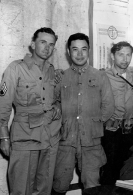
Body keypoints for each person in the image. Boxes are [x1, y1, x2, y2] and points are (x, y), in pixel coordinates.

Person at [0, 27, 61, 195]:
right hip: (24, 138)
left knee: (44, 190)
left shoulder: (52, 71)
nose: (47, 47)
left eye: (51, 44)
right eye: (43, 42)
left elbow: (53, 98)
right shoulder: (16, 68)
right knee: (21, 189)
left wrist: (56, 106)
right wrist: (4, 137)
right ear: (33, 44)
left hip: (48, 137)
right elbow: (2, 106)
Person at [52, 33, 115, 194]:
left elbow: (108, 106)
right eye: (75, 49)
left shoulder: (100, 76)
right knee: (59, 183)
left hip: (91, 142)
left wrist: (94, 122)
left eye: (84, 49)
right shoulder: (61, 77)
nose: (79, 54)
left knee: (92, 185)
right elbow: (54, 102)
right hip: (66, 140)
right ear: (68, 52)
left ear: (89, 51)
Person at [100, 41, 133, 185]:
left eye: (128, 55)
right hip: (110, 132)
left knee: (127, 171)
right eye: (121, 54)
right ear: (112, 56)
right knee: (109, 172)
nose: (125, 59)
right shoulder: (103, 76)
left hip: (129, 132)